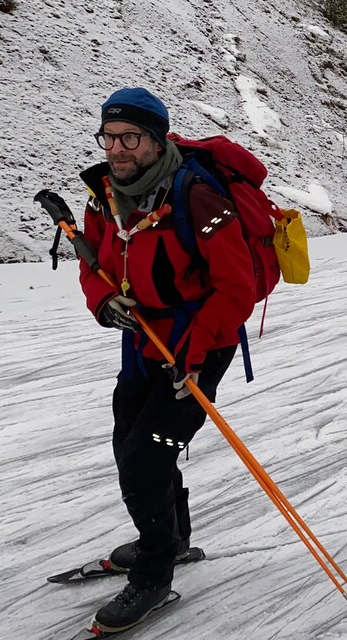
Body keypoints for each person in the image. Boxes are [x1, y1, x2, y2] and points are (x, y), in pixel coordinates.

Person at [77, 88, 256, 633]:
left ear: (156, 140)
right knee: (127, 438)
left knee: (146, 456)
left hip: (200, 345)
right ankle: (171, 537)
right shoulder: (102, 194)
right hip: (142, 341)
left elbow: (236, 288)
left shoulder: (197, 196)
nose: (117, 148)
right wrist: (104, 302)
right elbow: (93, 265)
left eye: (129, 137)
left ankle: (154, 575)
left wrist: (195, 351)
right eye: (109, 137)